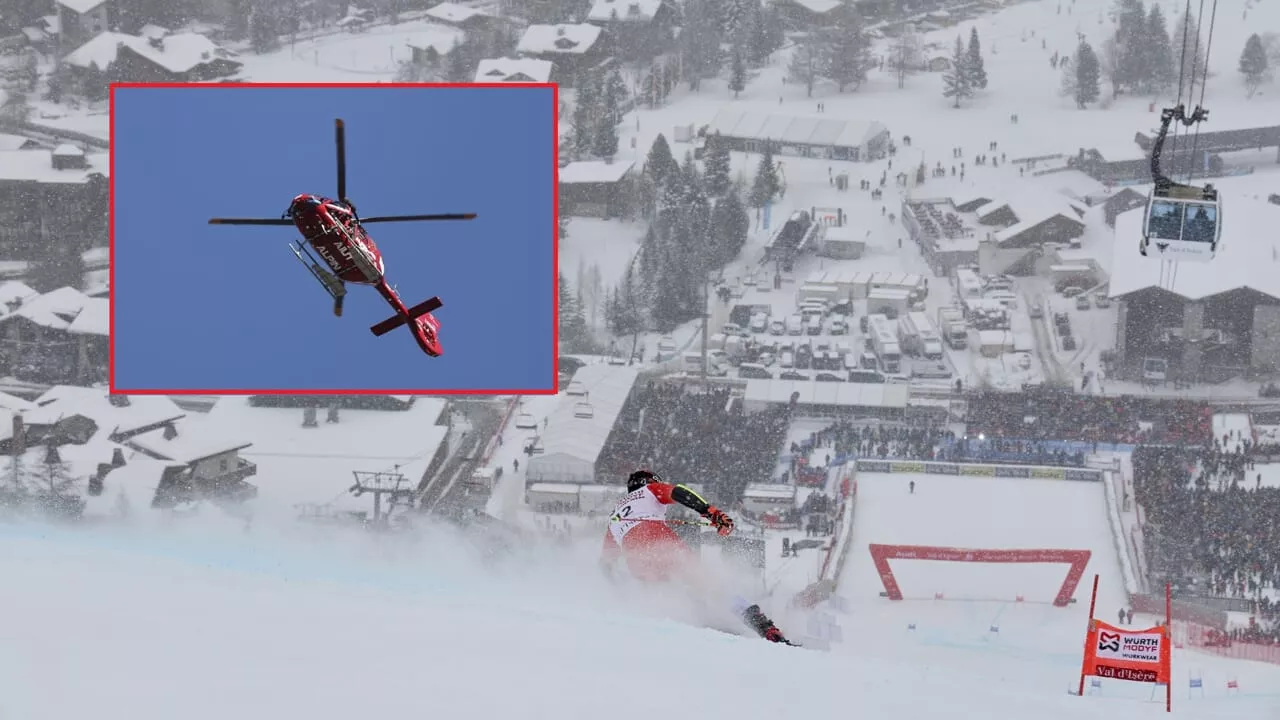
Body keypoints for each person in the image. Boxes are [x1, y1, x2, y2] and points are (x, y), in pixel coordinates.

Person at [600, 470, 793, 644]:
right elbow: (680, 492)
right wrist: (710, 512)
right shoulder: (649, 489)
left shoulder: (615, 515)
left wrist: (618, 587)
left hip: (636, 561)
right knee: (709, 585)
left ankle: (695, 624)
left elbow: (605, 563)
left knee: (667, 593)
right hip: (660, 542)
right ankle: (764, 627)